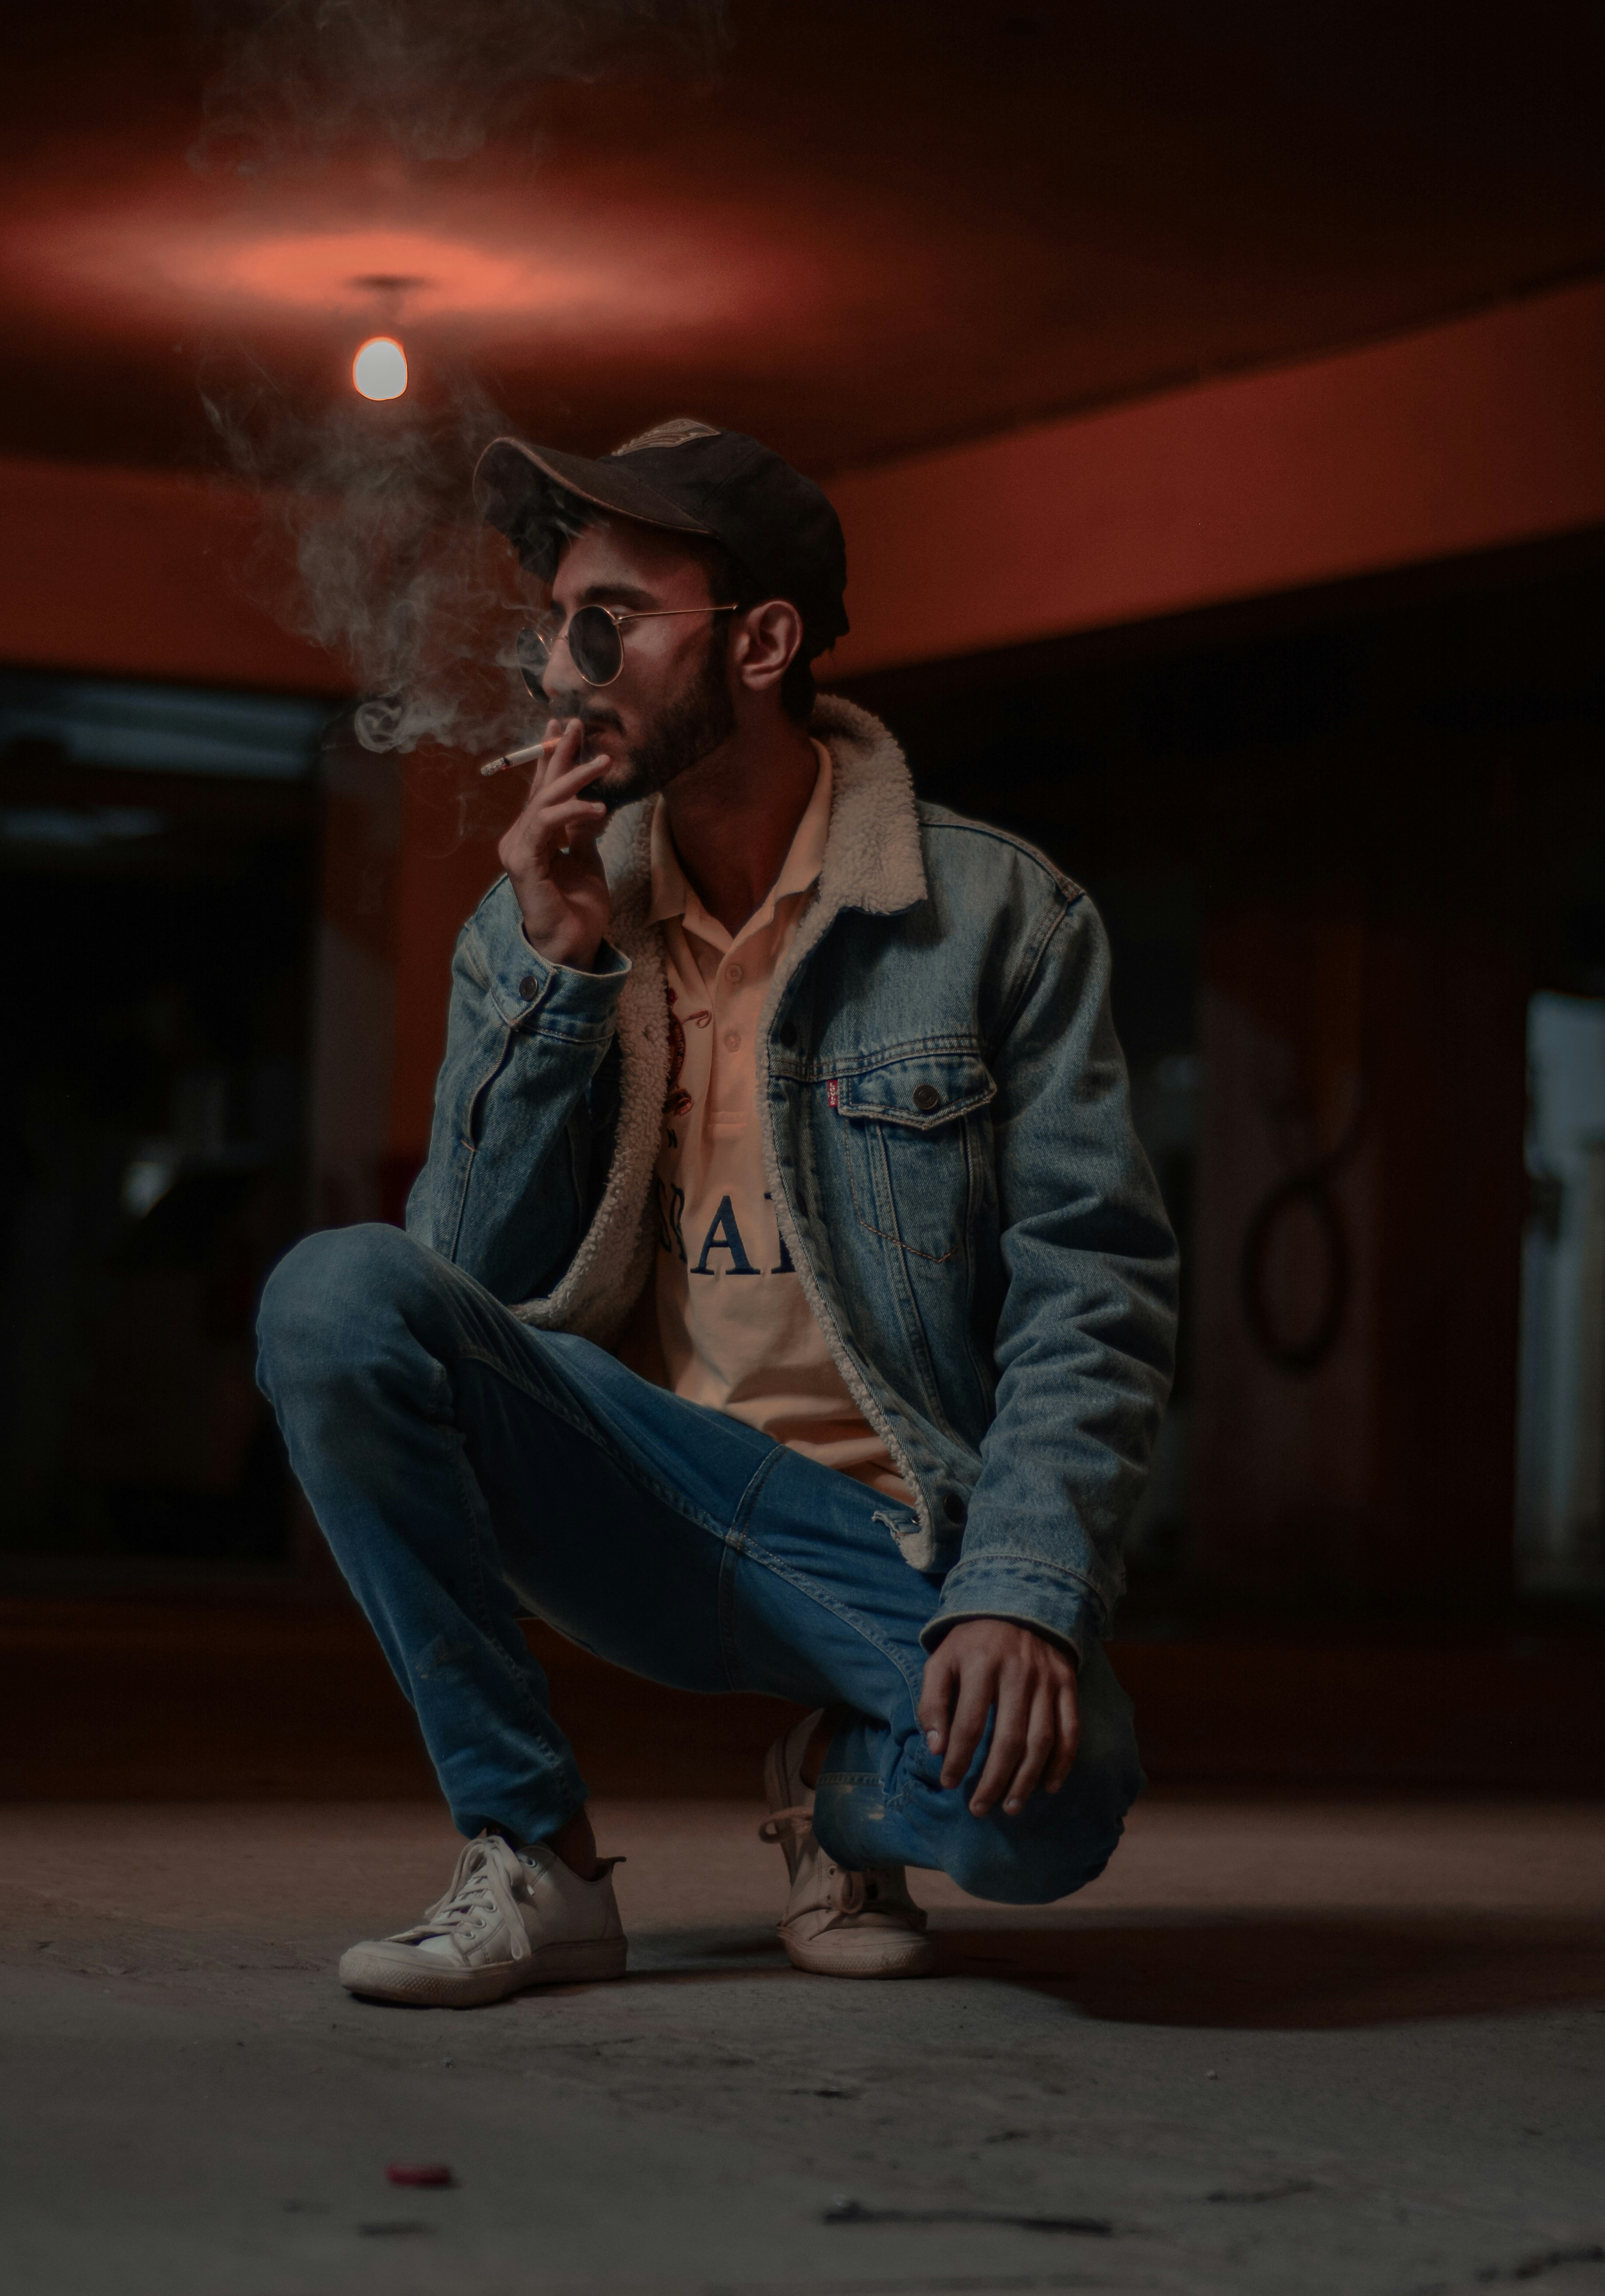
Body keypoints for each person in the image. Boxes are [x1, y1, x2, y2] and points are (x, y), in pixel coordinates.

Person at [256, 418, 1177, 2009]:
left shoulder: (1002, 921)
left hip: (889, 1540)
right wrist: (553, 979)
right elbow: (456, 1285)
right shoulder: (538, 911)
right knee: (334, 1297)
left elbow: (1091, 1288)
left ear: (759, 644)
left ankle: (842, 1785)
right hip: (643, 1494)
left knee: (1053, 1808)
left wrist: (1021, 1590)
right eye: (555, 623)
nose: (560, 662)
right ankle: (532, 1851)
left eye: (606, 622)